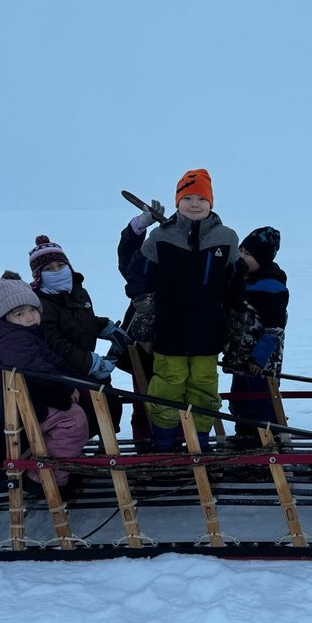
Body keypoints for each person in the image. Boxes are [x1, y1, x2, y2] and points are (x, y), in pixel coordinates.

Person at [123, 168, 240, 451]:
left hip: (208, 333)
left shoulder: (226, 238)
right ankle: (164, 442)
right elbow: (137, 275)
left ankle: (198, 442)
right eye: (188, 198)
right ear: (178, 202)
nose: (195, 204)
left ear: (211, 202)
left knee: (204, 388)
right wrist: (144, 304)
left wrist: (233, 325)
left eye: (202, 198)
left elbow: (236, 285)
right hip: (169, 332)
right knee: (167, 386)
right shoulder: (161, 237)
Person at [0, 272, 89, 498]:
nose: (29, 317)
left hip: (26, 395)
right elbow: (37, 370)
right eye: (19, 313)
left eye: (33, 310)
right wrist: (64, 389)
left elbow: (50, 361)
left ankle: (62, 463)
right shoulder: (10, 340)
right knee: (73, 420)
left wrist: (75, 377)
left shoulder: (21, 332)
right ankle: (45, 480)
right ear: (4, 316)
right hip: (12, 405)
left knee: (83, 403)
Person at [28, 235, 127, 440]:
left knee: (111, 403)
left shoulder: (79, 292)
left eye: (60, 265)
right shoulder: (40, 303)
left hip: (85, 366)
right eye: (49, 268)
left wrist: (105, 327)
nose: (57, 271)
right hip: (61, 371)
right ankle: (77, 448)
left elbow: (82, 320)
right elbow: (54, 343)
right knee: (93, 406)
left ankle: (106, 445)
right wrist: (90, 363)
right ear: (38, 274)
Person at [221, 226, 289, 449]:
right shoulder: (241, 280)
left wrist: (260, 357)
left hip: (261, 362)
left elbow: (275, 327)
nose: (242, 257)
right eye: (241, 251)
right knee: (239, 400)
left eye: (248, 255)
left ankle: (271, 437)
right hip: (241, 358)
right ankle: (245, 434)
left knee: (262, 401)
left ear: (263, 259)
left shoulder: (271, 286)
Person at [116, 197, 166, 450]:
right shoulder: (143, 268)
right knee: (142, 401)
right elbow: (127, 260)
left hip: (177, 343)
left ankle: (177, 449)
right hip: (141, 346)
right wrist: (139, 226)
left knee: (177, 402)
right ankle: (144, 451)